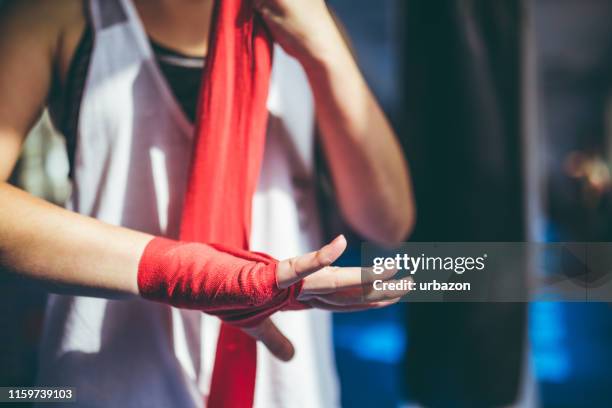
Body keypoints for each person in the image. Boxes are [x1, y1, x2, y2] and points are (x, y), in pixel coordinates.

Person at [0, 0, 414, 407]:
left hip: (284, 383)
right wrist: (191, 272)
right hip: (110, 371)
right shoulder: (62, 14)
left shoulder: (307, 19)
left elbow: (387, 223)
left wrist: (324, 45)